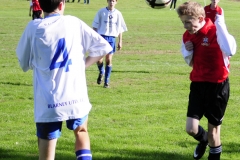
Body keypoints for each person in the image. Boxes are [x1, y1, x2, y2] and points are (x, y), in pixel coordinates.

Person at [16, 0, 112, 159]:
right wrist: (82, 65)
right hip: (75, 97)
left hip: (48, 101)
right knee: (81, 132)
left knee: (46, 146)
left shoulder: (33, 28)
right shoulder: (73, 22)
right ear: (61, 4)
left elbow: (23, 63)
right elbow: (103, 47)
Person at [176, 1, 236, 160]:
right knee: (191, 129)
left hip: (217, 87)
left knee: (214, 133)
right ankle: (202, 141)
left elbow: (231, 50)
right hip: (197, 84)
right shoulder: (188, 35)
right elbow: (189, 62)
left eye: (188, 22)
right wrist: (188, 51)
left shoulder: (217, 32)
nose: (185, 26)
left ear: (200, 18)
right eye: (183, 22)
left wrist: (219, 20)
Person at [92, 0, 127, 88]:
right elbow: (95, 26)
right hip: (101, 38)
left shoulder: (118, 14)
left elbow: (120, 28)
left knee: (108, 59)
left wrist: (120, 41)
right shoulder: (101, 12)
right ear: (107, 1)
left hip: (111, 38)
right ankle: (101, 71)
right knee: (99, 60)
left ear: (116, 2)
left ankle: (106, 81)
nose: (112, 2)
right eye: (110, 0)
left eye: (113, 1)